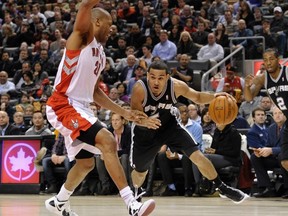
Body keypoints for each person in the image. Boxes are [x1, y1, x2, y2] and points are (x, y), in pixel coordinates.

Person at [45, 2, 156, 216]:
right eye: (109, 23)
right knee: (107, 140)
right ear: (96, 21)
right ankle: (131, 204)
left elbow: (95, 92)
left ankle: (59, 202)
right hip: (63, 104)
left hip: (82, 107)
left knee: (86, 164)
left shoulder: (101, 54)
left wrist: (124, 112)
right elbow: (85, 6)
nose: (112, 28)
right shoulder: (82, 38)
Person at [130, 60, 249, 205]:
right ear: (147, 75)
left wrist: (215, 97)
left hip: (169, 126)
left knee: (197, 156)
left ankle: (222, 187)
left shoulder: (176, 86)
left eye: (160, 78)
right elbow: (134, 114)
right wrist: (145, 121)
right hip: (145, 131)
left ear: (167, 77)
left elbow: (197, 97)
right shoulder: (139, 88)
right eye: (152, 77)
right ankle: (135, 197)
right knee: (141, 171)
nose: (156, 82)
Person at [244, 48, 288, 172]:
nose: (268, 63)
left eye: (271, 59)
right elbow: (248, 97)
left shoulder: (286, 72)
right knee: (285, 162)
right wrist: (246, 86)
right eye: (265, 60)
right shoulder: (263, 78)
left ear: (278, 60)